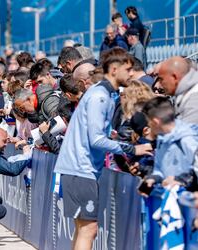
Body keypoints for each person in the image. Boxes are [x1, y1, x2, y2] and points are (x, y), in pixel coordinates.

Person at [54, 48, 153, 250]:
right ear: (115, 69)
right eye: (128, 69)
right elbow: (96, 140)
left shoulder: (102, 93)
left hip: (79, 169)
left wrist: (112, 138)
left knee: (84, 229)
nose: (132, 73)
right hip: (80, 170)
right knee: (89, 229)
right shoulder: (100, 96)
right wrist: (134, 150)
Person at [140, 97, 198, 191]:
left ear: (156, 122)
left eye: (148, 122)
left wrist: (180, 179)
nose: (148, 125)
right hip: (170, 199)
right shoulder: (162, 140)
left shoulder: (188, 139)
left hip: (189, 200)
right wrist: (154, 178)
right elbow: (159, 169)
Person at [157, 56, 198, 124]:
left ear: (174, 77)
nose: (160, 85)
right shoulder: (186, 92)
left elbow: (188, 132)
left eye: (161, 79)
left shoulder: (194, 97)